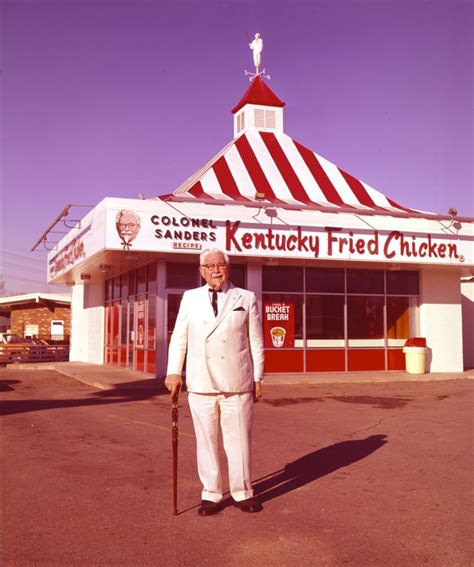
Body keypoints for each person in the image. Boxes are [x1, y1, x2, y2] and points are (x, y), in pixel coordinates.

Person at [165, 248, 265, 516]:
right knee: (206, 440)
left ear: (228, 268)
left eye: (220, 265)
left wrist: (257, 377)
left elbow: (255, 339)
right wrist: (174, 371)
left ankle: (242, 492)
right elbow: (179, 338)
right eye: (209, 266)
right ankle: (211, 494)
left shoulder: (246, 297)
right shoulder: (190, 298)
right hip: (201, 382)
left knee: (239, 441)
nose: (215, 270)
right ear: (201, 271)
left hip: (237, 381)